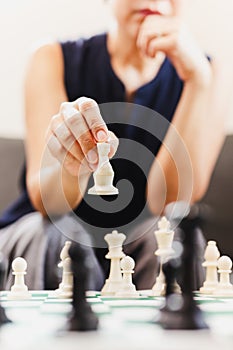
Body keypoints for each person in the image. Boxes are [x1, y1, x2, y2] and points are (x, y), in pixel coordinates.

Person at [0, 0, 227, 291]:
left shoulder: (209, 73)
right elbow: (48, 204)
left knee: (171, 238)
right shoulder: (51, 57)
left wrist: (197, 82)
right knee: (60, 238)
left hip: (141, 244)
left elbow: (167, 202)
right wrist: (74, 167)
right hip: (46, 233)